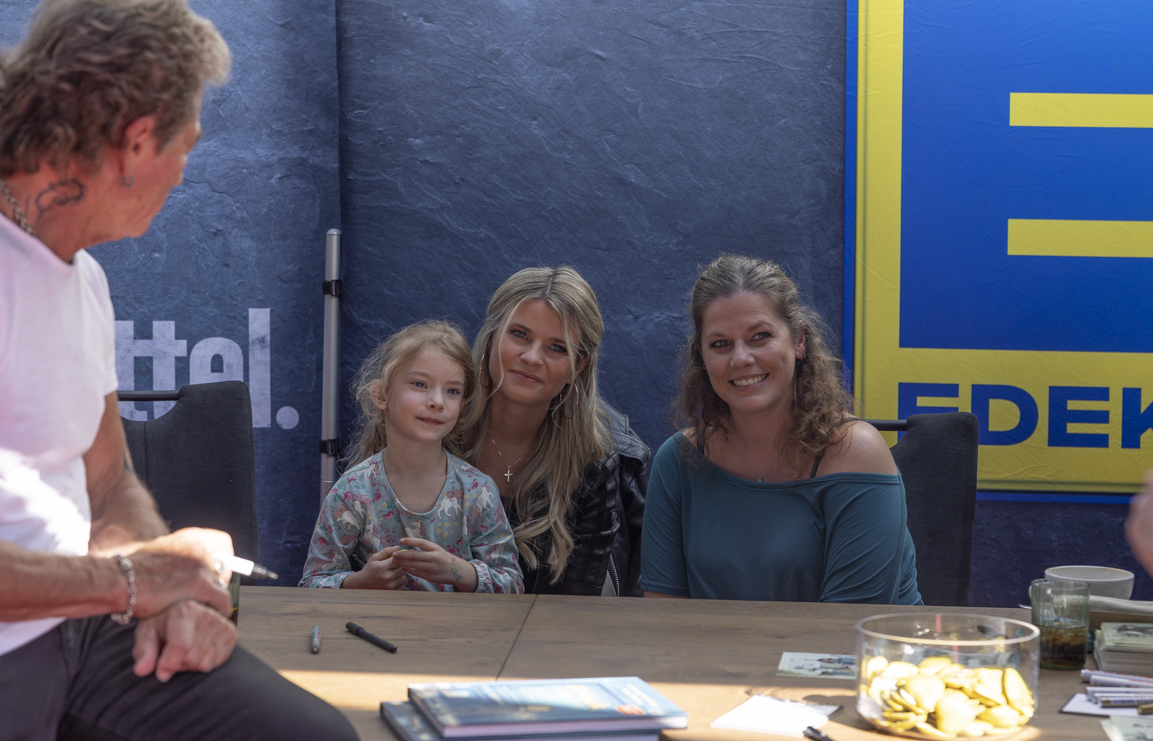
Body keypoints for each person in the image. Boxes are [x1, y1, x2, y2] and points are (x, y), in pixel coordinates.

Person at [0, 0, 356, 740]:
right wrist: (135, 582)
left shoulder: (82, 277)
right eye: (186, 144)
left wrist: (163, 593)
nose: (183, 168)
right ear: (137, 140)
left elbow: (108, 482)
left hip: (85, 630)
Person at [642, 254, 921, 604]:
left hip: (849, 641)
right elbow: (662, 612)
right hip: (709, 643)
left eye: (760, 336)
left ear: (799, 340)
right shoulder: (679, 460)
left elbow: (847, 625)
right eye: (720, 344)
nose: (741, 358)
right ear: (702, 356)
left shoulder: (855, 452)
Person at [459, 267, 651, 596]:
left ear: (578, 366)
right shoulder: (437, 431)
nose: (532, 357)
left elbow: (577, 602)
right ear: (491, 338)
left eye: (557, 348)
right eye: (519, 334)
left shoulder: (594, 462)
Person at [300, 320, 523, 593]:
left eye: (452, 391)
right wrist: (360, 583)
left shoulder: (478, 491)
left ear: (462, 405)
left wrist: (459, 571)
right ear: (381, 395)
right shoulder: (352, 491)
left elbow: (512, 584)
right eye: (420, 384)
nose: (437, 401)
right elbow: (312, 584)